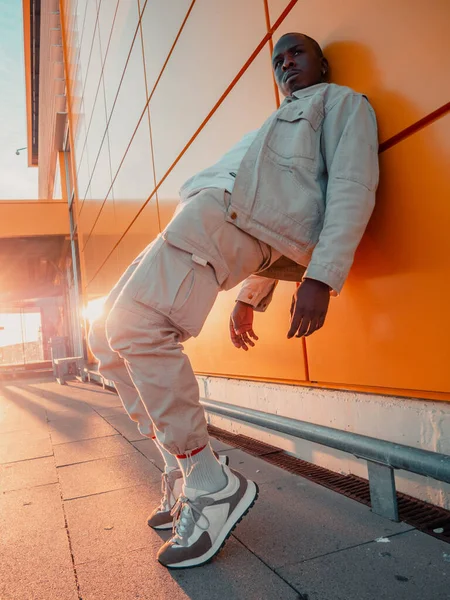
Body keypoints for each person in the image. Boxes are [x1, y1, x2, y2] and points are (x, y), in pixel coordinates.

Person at [88, 32, 379, 569]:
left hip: (225, 218)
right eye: (278, 59)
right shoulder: (271, 124)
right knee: (103, 335)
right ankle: (180, 467)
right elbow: (276, 200)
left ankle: (208, 479)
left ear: (322, 62)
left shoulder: (341, 104)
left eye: (297, 53)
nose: (286, 62)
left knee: (136, 326)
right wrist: (251, 296)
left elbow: (351, 188)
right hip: (201, 214)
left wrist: (322, 275)